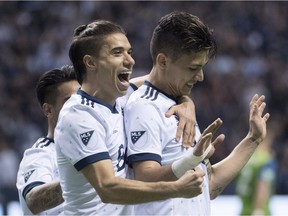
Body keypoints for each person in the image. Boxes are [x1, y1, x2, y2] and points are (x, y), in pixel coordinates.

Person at [54, 19, 216, 215]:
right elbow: (108, 188)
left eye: (129, 52)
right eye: (117, 52)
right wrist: (177, 189)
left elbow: (161, 81)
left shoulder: (119, 98)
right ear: (90, 62)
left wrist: (186, 103)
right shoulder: (79, 116)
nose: (130, 60)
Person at [124, 11, 270, 215]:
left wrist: (252, 139)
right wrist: (191, 161)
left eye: (202, 68)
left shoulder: (180, 108)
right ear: (163, 61)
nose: (200, 77)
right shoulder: (144, 107)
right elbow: (144, 180)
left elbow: (207, 188)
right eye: (193, 68)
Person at [16, 65, 81, 215]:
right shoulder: (40, 154)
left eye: (81, 99)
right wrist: (88, 174)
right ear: (48, 110)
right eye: (69, 101)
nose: (78, 106)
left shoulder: (94, 145)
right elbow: (34, 201)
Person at [236, 124, 277, 216]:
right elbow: (263, 184)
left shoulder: (246, 158)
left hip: (244, 210)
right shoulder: (266, 161)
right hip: (258, 211)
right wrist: (258, 210)